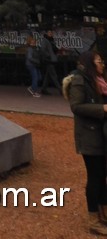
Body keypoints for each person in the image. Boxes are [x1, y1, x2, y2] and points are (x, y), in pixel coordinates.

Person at [68, 50, 107, 235]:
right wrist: (102, 108)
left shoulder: (100, 81)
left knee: (103, 176)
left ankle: (103, 213)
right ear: (91, 64)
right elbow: (76, 106)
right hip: (89, 136)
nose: (102, 64)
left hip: (102, 135)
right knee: (95, 177)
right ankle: (93, 219)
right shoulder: (80, 80)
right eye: (99, 61)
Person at [40, 29, 62, 93]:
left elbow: (53, 49)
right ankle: (60, 89)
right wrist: (48, 56)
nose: (51, 33)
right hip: (49, 60)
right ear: (46, 33)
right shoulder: (45, 40)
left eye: (51, 32)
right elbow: (43, 50)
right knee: (53, 75)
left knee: (48, 75)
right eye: (49, 32)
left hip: (52, 59)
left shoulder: (52, 40)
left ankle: (43, 89)